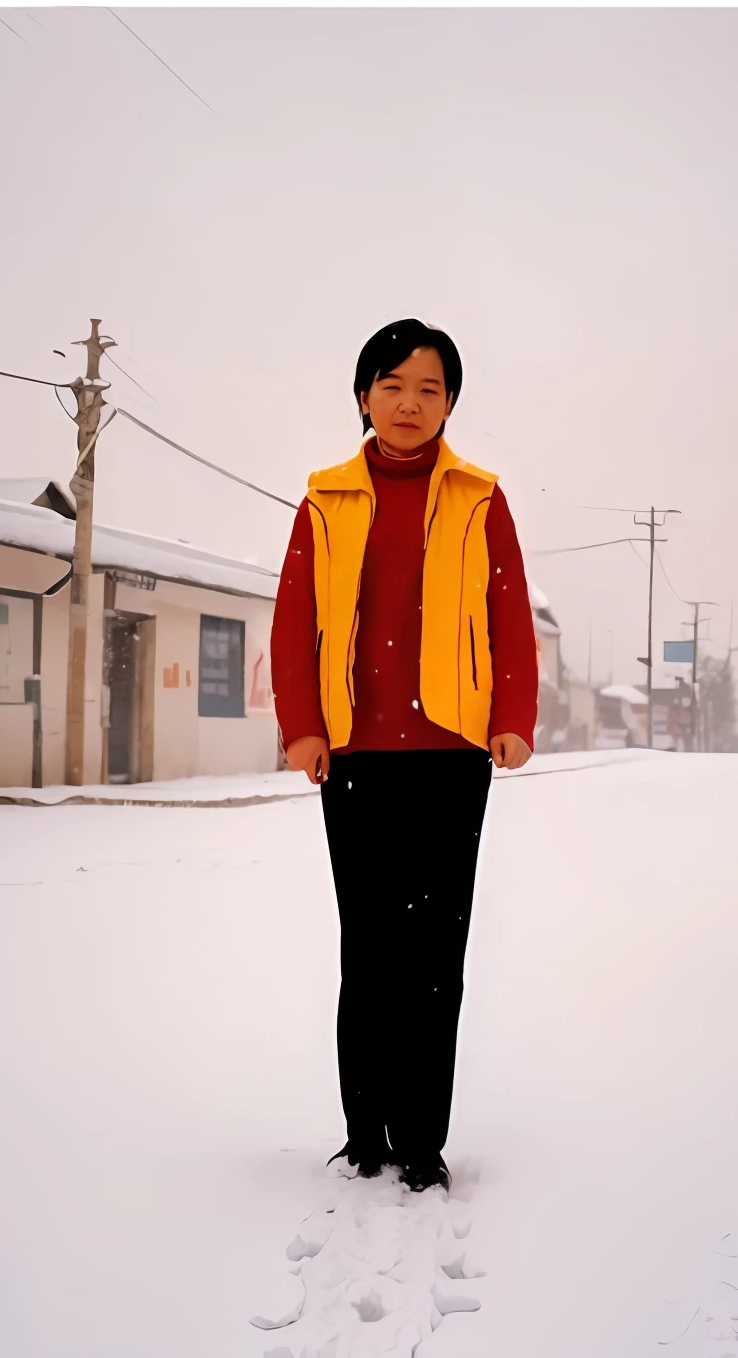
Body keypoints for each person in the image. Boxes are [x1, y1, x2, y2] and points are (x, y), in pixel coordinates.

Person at [270, 319, 537, 1195]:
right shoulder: (325, 501)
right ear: (363, 397)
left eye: (428, 388)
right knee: (371, 946)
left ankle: (422, 1139)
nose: (409, 404)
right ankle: (366, 1132)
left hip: (452, 755)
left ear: (450, 401)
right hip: (352, 758)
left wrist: (513, 716)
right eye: (392, 385)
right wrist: (304, 726)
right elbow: (293, 622)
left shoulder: (479, 499)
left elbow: (510, 618)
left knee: (435, 954)